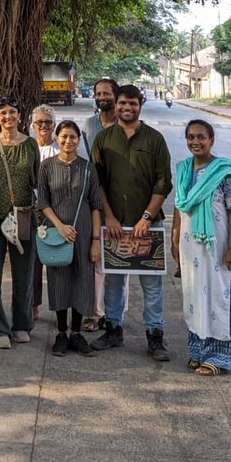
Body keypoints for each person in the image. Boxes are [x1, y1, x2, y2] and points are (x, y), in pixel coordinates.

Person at [91, 85, 172, 360]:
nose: (127, 108)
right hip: (115, 225)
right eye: (123, 103)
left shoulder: (154, 139)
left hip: (148, 226)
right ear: (117, 104)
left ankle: (155, 336)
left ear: (141, 104)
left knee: (152, 284)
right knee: (114, 282)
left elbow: (163, 182)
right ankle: (113, 330)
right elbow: (98, 182)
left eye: (133, 104)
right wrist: (109, 216)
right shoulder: (103, 139)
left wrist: (148, 217)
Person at [172, 119, 231, 375]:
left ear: (212, 140)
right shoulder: (184, 170)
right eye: (191, 137)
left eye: (201, 137)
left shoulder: (224, 173)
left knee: (219, 298)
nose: (196, 142)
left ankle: (219, 358)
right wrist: (174, 240)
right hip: (190, 249)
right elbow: (179, 207)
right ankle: (199, 351)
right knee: (196, 299)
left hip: (218, 249)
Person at [0, 95, 39, 349]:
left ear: (20, 116)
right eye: (3, 112)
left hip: (23, 215)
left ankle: (21, 324)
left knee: (24, 273)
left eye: (12, 112)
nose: (8, 116)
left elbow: (36, 180)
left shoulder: (30, 145)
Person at [37, 120, 103, 356]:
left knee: (82, 279)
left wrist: (96, 240)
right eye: (64, 136)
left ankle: (77, 333)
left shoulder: (88, 168)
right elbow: (42, 202)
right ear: (57, 138)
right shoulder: (46, 166)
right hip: (56, 233)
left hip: (84, 233)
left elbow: (96, 205)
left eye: (73, 137)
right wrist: (60, 226)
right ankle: (62, 333)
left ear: (78, 140)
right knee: (58, 278)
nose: (68, 141)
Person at [82, 78, 119, 331]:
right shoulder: (88, 125)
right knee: (93, 258)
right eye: (98, 93)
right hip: (92, 199)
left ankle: (115, 314)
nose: (102, 96)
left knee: (117, 259)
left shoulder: (126, 124)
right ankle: (94, 313)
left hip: (120, 200)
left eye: (107, 93)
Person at [29, 104, 58, 319]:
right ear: (33, 125)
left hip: (55, 214)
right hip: (31, 212)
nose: (44, 126)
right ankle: (33, 305)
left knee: (57, 260)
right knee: (33, 264)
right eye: (40, 122)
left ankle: (59, 306)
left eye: (48, 122)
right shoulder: (28, 148)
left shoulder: (60, 149)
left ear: (54, 125)